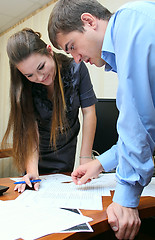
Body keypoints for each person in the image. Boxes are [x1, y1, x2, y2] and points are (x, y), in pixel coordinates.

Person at [48, 0, 155, 239]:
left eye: (72, 46)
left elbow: (138, 122)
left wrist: (126, 198)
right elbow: (149, 128)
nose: (75, 59)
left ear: (89, 21)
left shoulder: (129, 23)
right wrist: (100, 163)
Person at [2, 28, 97, 193]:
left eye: (41, 67)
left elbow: (89, 113)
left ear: (49, 51)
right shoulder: (26, 86)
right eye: (29, 75)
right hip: (35, 155)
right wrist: (32, 171)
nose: (39, 78)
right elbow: (31, 130)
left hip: (65, 153)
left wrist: (86, 159)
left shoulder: (76, 68)